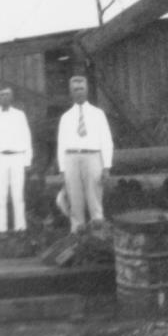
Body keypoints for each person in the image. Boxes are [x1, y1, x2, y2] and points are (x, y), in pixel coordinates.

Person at [56, 76, 113, 232]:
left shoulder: (98, 114)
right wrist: (62, 169)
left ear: (87, 90)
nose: (79, 92)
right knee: (75, 195)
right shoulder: (65, 117)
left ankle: (98, 225)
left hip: (93, 156)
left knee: (94, 191)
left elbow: (106, 140)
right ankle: (77, 227)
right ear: (71, 93)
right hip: (71, 158)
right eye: (75, 90)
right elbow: (61, 144)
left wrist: (106, 166)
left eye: (81, 89)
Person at [0, 87, 33, 233]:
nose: (5, 97)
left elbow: (26, 137)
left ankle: (21, 228)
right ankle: (1, 230)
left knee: (18, 195)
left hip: (17, 157)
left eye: (7, 95)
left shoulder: (20, 115)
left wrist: (27, 160)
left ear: (12, 97)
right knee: (0, 195)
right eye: (2, 95)